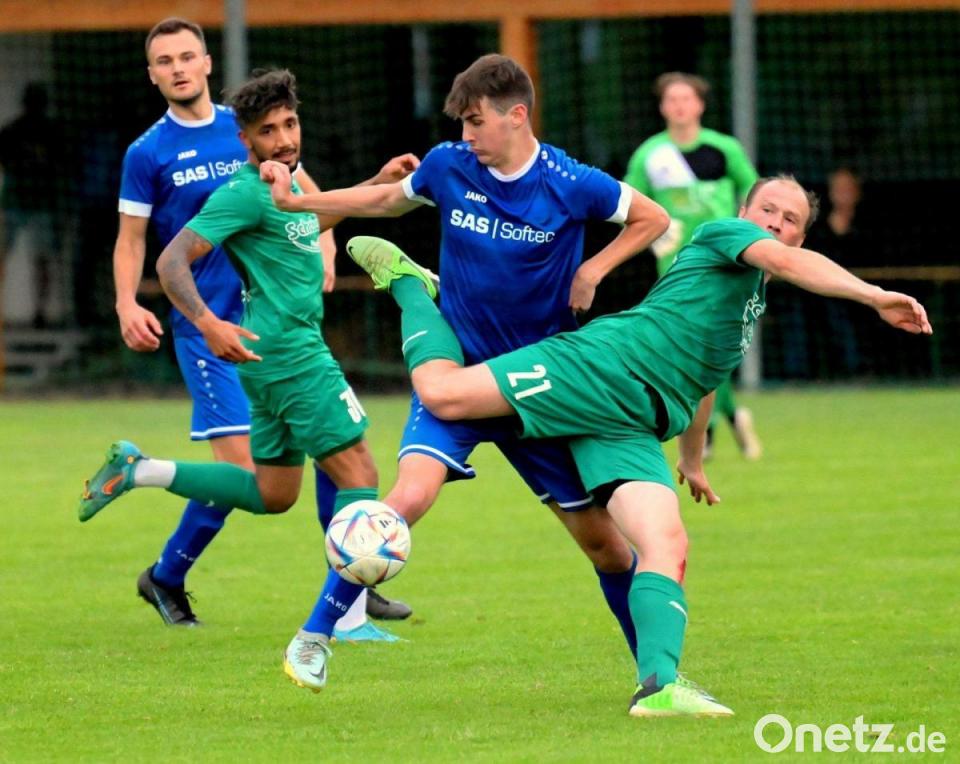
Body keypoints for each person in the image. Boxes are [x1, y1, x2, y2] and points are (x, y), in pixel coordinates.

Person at [295, 175, 930, 716]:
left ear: (802, 232)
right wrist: (874, 295)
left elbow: (707, 376)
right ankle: (412, 286)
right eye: (769, 210)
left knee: (653, 542)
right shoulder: (726, 237)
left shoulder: (748, 300)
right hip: (604, 367)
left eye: (792, 221)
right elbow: (791, 265)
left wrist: (692, 458)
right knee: (443, 395)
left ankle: (658, 685)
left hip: (629, 425)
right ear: (745, 215)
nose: (778, 224)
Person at [261, 52, 671, 680]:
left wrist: (594, 268)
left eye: (476, 122)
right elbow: (386, 201)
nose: (466, 136)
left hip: (538, 385)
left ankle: (655, 678)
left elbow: (653, 218)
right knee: (406, 500)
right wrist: (295, 205)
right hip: (457, 373)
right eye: (461, 124)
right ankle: (314, 637)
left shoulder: (570, 181)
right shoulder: (450, 166)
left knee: (607, 546)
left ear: (517, 116)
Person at [78, 68, 423, 687]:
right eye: (269, 131)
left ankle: (141, 469)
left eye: (290, 124)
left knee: (273, 493)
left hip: (270, 358)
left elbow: (302, 225)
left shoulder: (285, 189)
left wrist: (374, 184)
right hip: (292, 355)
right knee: (361, 474)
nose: (285, 138)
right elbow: (170, 258)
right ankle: (338, 624)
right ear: (246, 140)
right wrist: (207, 322)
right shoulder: (242, 192)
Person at [624, 72, 761, 459]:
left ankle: (711, 428)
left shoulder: (724, 148)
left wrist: (746, 237)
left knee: (711, 345)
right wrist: (651, 233)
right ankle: (730, 418)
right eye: (672, 99)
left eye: (687, 98)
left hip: (724, 263)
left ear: (700, 105)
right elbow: (626, 200)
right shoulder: (650, 154)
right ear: (662, 106)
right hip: (676, 268)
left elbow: (756, 194)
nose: (680, 106)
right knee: (697, 348)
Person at [0, 82, 67, 327]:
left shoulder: (51, 132)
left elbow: (61, 166)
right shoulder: (12, 131)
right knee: (30, 259)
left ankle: (40, 312)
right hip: (18, 202)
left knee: (41, 260)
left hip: (38, 204)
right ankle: (39, 311)